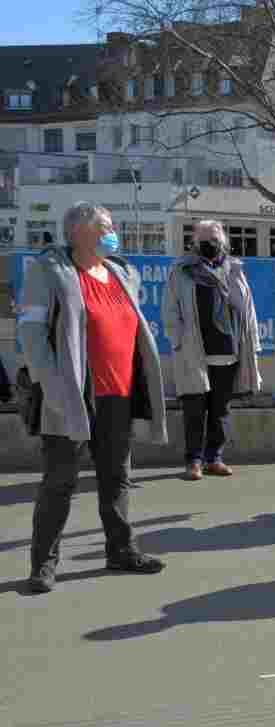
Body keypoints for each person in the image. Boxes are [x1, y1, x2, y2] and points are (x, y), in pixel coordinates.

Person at [16, 202, 168, 594]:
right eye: (104, 225)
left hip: (119, 393)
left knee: (117, 478)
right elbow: (32, 336)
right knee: (59, 481)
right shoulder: (49, 271)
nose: (112, 231)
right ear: (80, 232)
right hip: (73, 394)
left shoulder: (121, 273)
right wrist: (54, 388)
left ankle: (121, 550)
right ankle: (43, 566)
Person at [163, 219, 262, 481]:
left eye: (215, 240)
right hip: (194, 351)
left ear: (224, 242)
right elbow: (170, 310)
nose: (210, 244)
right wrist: (178, 340)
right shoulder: (181, 271)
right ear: (194, 243)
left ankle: (214, 458)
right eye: (204, 240)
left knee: (220, 410)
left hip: (227, 350)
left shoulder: (233, 270)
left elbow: (247, 309)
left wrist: (251, 342)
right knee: (194, 410)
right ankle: (193, 461)